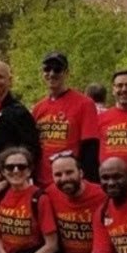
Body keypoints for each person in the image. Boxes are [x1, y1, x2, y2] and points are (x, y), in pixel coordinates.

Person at [0, 147, 60, 253]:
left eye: (21, 166)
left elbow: (52, 244)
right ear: (3, 171)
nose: (16, 171)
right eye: (10, 167)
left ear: (29, 171)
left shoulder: (39, 198)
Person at [32, 52, 100, 185]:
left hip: (69, 182)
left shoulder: (84, 104)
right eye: (47, 69)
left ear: (66, 73)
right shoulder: (38, 108)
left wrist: (86, 182)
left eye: (57, 69)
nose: (52, 73)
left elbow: (90, 148)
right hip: (42, 182)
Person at [44, 154, 106, 253]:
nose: (64, 178)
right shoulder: (50, 193)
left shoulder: (102, 194)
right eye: (58, 174)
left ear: (81, 173)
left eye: (69, 172)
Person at [0, 61, 40, 180]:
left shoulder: (19, 112)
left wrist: (6, 170)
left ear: (9, 80)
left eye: (0, 77)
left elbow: (31, 149)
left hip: (8, 177)